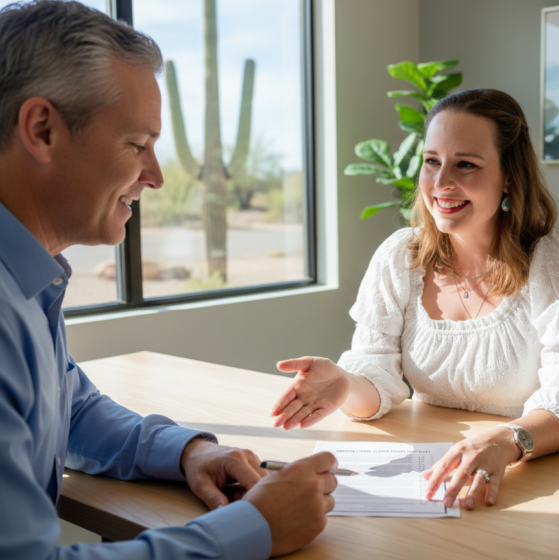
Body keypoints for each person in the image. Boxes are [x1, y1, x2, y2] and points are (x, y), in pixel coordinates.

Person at [0, 2, 336, 558]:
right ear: (42, 130)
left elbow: (71, 408)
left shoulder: (27, 281)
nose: (155, 176)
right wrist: (255, 529)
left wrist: (189, 452)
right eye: (138, 145)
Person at [271, 88, 559, 510]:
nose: (440, 184)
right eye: (431, 161)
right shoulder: (400, 255)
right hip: (434, 476)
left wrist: (508, 440)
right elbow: (377, 371)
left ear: (509, 175)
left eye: (466, 165)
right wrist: (346, 384)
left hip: (533, 477)